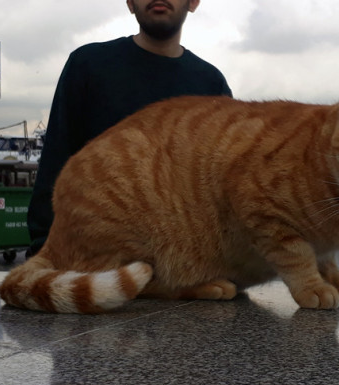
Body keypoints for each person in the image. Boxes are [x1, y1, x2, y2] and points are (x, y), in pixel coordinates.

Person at [27, 0, 232, 255]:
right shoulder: (88, 65)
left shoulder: (212, 85)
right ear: (130, 3)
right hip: (95, 258)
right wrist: (43, 252)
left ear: (193, 2)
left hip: (182, 268)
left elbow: (221, 194)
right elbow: (56, 165)